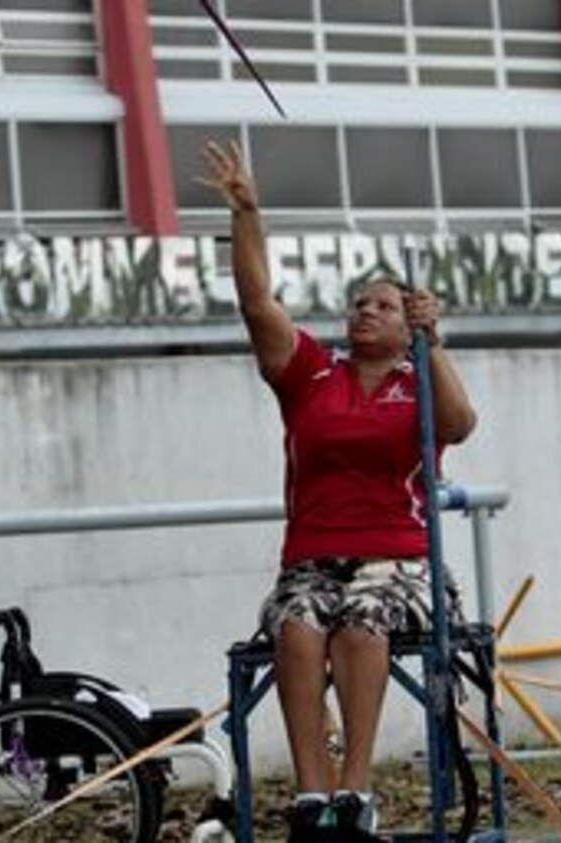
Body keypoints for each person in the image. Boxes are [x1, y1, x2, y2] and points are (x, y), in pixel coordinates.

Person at [199, 140, 477, 842]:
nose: (366, 311)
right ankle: (310, 799)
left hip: (398, 559)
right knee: (296, 627)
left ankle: (356, 792)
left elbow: (460, 424)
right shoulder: (312, 376)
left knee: (361, 625)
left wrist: (432, 341)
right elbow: (257, 301)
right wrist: (247, 214)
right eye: (359, 302)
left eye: (384, 304)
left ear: (406, 320)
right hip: (314, 556)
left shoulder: (419, 385)